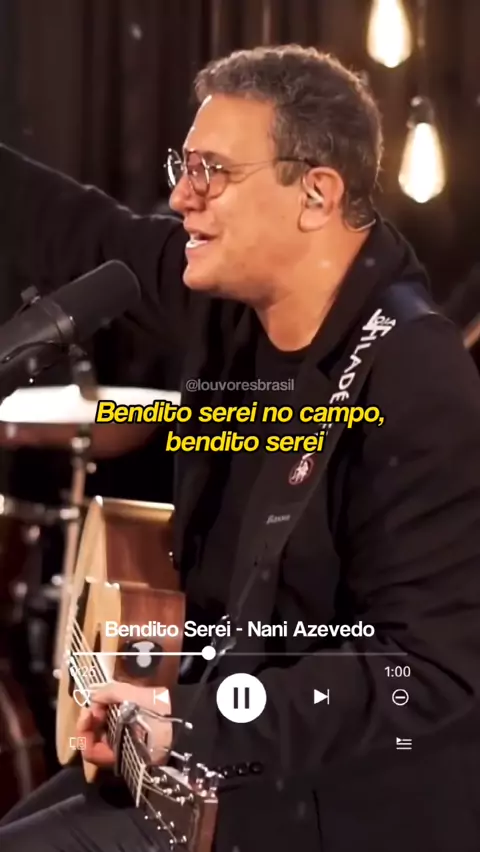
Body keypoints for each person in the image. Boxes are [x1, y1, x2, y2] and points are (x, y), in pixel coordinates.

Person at [1, 43, 480, 852]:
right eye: (182, 166)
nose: (181, 196)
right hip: (207, 752)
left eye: (212, 172)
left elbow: (426, 671)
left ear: (316, 194)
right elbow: (74, 228)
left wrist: (195, 718)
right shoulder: (227, 304)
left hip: (331, 801)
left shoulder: (413, 374)